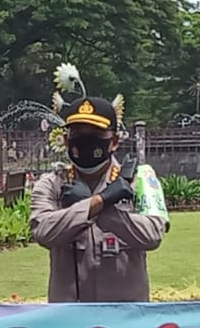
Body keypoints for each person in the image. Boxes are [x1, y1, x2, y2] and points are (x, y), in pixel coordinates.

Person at [29, 96, 166, 302]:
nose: (86, 141)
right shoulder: (51, 184)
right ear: (66, 140)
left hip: (125, 316)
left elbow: (153, 234)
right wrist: (100, 201)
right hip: (70, 317)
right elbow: (43, 232)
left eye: (96, 134)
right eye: (77, 134)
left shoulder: (140, 179)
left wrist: (99, 210)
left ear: (115, 141)